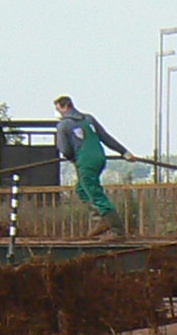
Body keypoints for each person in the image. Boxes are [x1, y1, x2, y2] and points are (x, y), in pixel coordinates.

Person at [52, 95, 129, 236]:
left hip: (85, 160)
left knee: (94, 192)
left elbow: (65, 149)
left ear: (65, 107)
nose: (58, 112)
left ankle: (117, 229)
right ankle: (100, 219)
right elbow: (105, 137)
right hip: (99, 157)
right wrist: (123, 152)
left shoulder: (63, 125)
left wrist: (73, 159)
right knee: (82, 189)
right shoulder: (89, 119)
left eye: (58, 109)